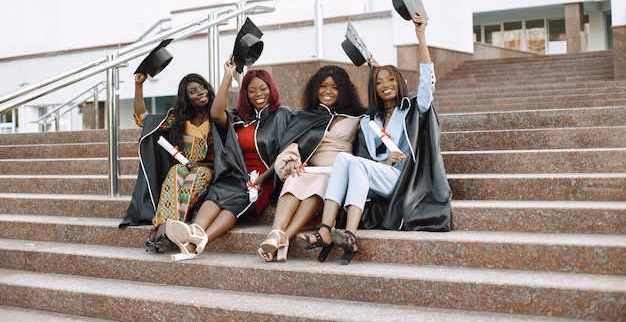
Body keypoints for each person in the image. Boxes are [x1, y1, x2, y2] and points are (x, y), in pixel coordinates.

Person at [297, 13, 451, 264]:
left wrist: (420, 35)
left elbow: (427, 83)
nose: (386, 84)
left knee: (354, 162)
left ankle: (349, 233)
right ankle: (327, 230)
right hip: (377, 176)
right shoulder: (369, 122)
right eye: (380, 82)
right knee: (345, 159)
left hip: (404, 179)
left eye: (391, 79)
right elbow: (364, 159)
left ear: (400, 82)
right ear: (374, 88)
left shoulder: (412, 108)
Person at [165, 58, 292, 261]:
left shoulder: (283, 115)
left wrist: (262, 178)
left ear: (271, 89)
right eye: (252, 91)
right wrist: (227, 76)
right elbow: (216, 113)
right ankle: (195, 231)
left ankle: (198, 244)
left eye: (262, 89)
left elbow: (285, 154)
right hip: (236, 173)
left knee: (238, 197)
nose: (258, 94)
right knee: (219, 190)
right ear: (245, 94)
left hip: (263, 178)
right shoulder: (240, 118)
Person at [257, 65, 366, 262]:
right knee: (296, 177)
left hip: (339, 172)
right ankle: (276, 233)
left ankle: (285, 236)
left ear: (344, 90)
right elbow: (292, 146)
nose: (328, 91)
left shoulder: (358, 117)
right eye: (323, 86)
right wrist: (290, 162)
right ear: (315, 89)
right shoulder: (305, 117)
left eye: (335, 87)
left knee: (323, 180)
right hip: (312, 169)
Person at [119, 73, 216, 254]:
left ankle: (160, 232)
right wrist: (138, 85)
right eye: (193, 91)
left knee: (196, 174)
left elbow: (226, 156)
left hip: (208, 170)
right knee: (174, 173)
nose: (200, 93)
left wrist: (202, 165)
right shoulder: (178, 119)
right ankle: (165, 231)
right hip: (183, 168)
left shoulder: (217, 116)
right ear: (186, 98)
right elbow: (142, 120)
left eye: (202, 87)